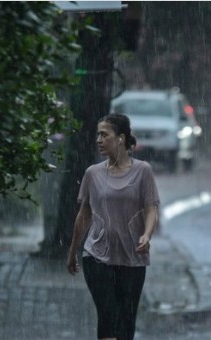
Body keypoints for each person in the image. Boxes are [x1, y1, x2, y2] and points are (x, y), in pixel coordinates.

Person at [66, 113, 160, 340]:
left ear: (120, 138)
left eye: (104, 135)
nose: (98, 139)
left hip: (132, 258)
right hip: (97, 256)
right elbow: (84, 215)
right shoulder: (93, 173)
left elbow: (151, 208)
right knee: (108, 315)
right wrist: (72, 253)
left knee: (126, 320)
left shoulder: (142, 171)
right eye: (98, 134)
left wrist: (147, 235)